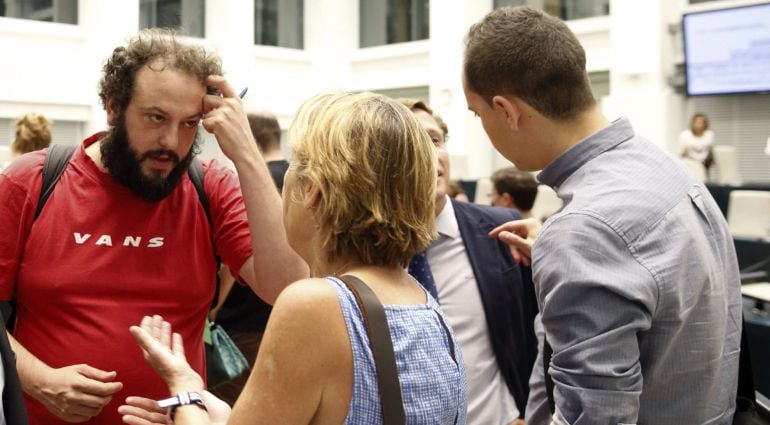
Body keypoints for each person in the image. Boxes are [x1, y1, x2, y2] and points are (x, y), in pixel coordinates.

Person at [0, 28, 307, 425]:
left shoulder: (211, 186)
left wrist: (246, 153)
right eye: (156, 117)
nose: (171, 142)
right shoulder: (33, 180)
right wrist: (39, 380)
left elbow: (288, 285)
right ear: (113, 106)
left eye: (189, 123)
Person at [463, 6, 741, 425]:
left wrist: (571, 245)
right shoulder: (662, 167)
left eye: (477, 113)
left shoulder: (584, 233)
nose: (483, 125)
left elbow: (595, 418)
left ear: (507, 110)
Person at [119, 92, 468, 424]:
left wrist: (185, 389)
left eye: (294, 165)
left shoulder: (315, 305)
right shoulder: (424, 302)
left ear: (312, 191)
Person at [398, 98, 538, 425]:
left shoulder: (504, 230)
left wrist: (532, 412)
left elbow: (542, 329)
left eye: (434, 140)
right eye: (410, 142)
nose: (429, 154)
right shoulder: (362, 248)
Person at [210, 110, 287, 405]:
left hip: (241, 325)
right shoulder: (300, 180)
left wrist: (214, 310)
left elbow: (233, 263)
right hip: (285, 320)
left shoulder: (249, 183)